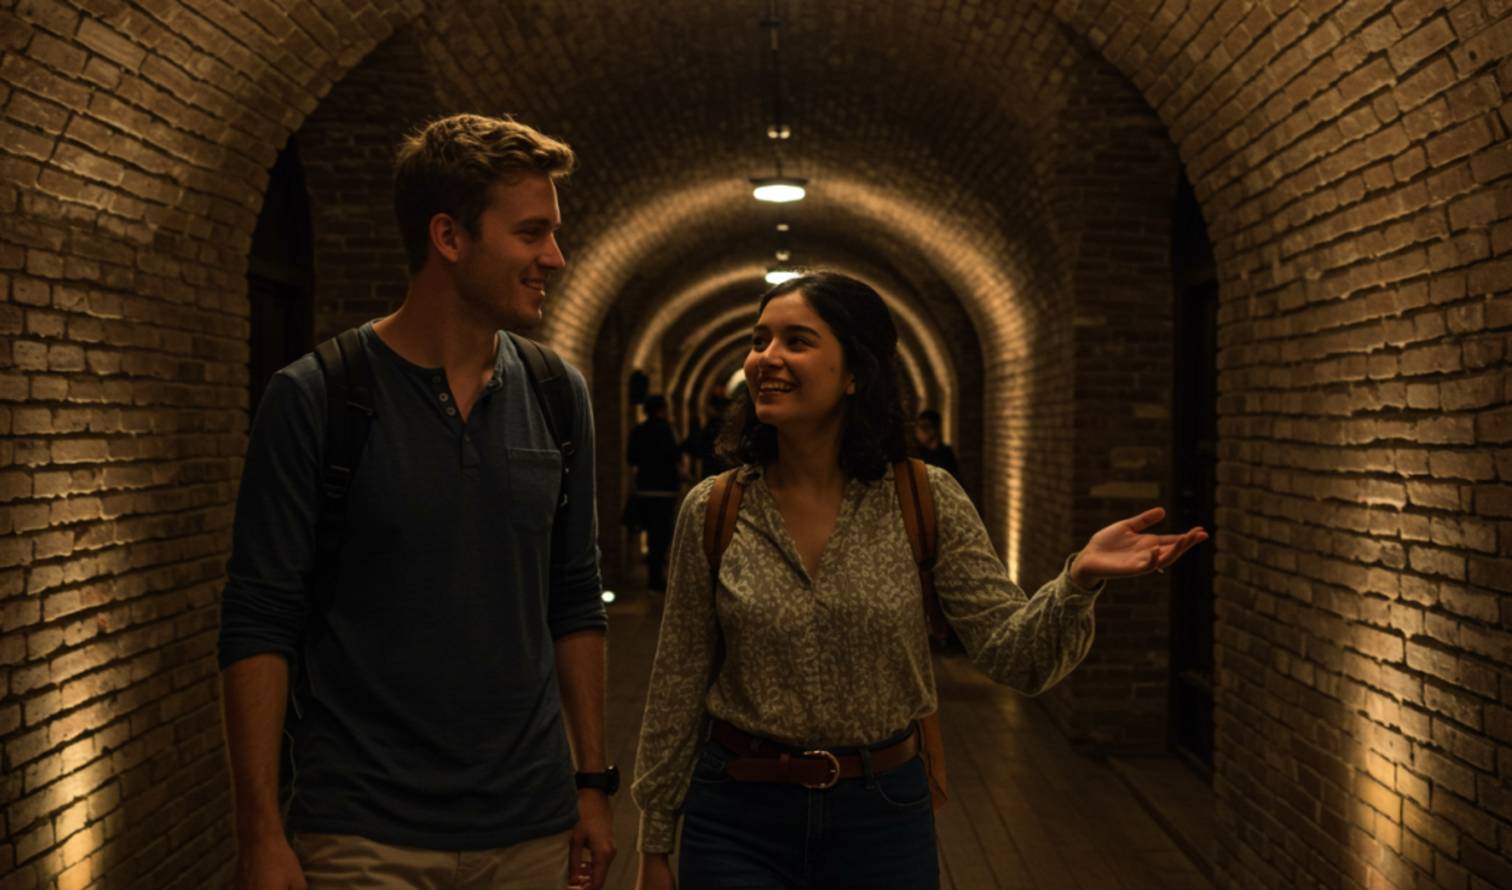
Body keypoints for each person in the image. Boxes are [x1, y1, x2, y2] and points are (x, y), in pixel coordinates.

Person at [630, 272, 1206, 890]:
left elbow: (1017, 656)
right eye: (759, 340)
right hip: (738, 810)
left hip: (881, 813)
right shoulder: (713, 508)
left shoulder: (924, 499)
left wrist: (1079, 580)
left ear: (856, 373)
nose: (766, 359)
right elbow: (680, 679)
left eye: (797, 341)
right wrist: (656, 841)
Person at [218, 114, 616, 890]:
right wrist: (260, 831)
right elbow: (259, 619)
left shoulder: (557, 396)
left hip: (532, 827)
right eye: (532, 233)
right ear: (449, 236)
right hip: (363, 833)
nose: (555, 258)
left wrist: (592, 787)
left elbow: (574, 601)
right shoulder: (316, 399)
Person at [627, 394, 683, 591]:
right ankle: (656, 578)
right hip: (664, 490)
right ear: (661, 410)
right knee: (661, 534)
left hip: (644, 488)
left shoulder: (638, 431)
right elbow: (674, 455)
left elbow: (630, 457)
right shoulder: (666, 429)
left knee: (650, 532)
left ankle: (652, 575)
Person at [914, 408, 960, 480]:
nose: (919, 432)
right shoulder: (918, 453)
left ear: (935, 429)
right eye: (918, 427)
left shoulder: (945, 454)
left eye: (924, 427)